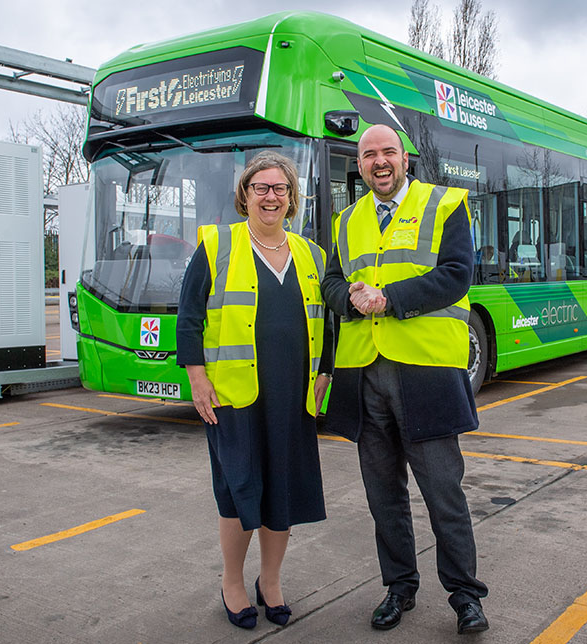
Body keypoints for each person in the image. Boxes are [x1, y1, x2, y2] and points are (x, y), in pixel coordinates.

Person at [321, 124, 489, 635]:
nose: (379, 162)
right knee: (383, 496)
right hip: (365, 373)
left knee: (443, 492)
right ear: (360, 163)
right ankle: (399, 588)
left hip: (426, 373)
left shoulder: (445, 204)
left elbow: (458, 273)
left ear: (405, 158)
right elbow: (329, 281)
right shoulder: (346, 220)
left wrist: (389, 298)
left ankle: (465, 597)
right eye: (368, 154)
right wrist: (346, 297)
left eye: (388, 152)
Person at [176, 151, 332, 630]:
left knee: (281, 491)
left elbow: (330, 320)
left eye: (279, 189)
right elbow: (189, 317)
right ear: (245, 195)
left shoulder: (311, 254)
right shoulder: (216, 245)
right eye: (260, 188)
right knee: (239, 489)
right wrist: (197, 377)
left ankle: (271, 580)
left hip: (293, 394)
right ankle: (232, 582)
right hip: (234, 396)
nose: (270, 196)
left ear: (292, 198)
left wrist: (325, 370)